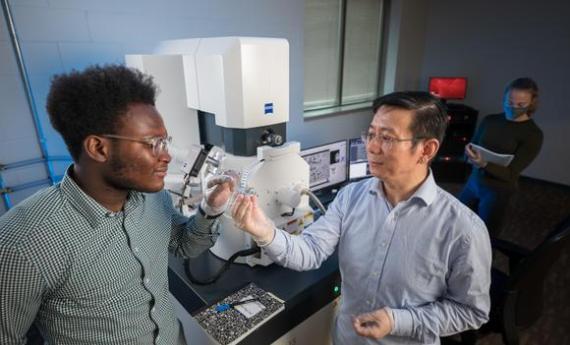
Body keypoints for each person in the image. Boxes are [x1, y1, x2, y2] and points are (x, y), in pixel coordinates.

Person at [231, 91, 492, 344]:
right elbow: (309, 251)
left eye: (387, 138)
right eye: (371, 134)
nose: (372, 147)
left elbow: (471, 311)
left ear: (426, 149)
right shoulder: (350, 197)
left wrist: (398, 321)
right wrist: (264, 231)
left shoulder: (463, 229)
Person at [0, 65, 234, 344]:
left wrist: (210, 209)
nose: (167, 156)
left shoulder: (151, 196)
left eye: (165, 141)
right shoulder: (22, 243)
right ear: (99, 148)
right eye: (153, 143)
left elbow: (183, 244)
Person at [459, 78, 543, 236]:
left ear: (531, 104)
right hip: (474, 181)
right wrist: (468, 153)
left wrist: (484, 164)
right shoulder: (490, 120)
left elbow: (512, 174)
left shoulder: (533, 134)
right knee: (458, 222)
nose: (513, 107)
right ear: (504, 98)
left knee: (486, 234)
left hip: (498, 190)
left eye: (521, 105)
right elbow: (473, 144)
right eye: (510, 102)